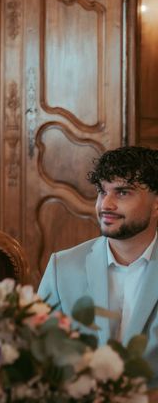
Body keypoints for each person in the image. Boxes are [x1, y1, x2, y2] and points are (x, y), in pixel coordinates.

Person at [38, 146, 158, 387]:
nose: (106, 204)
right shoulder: (63, 267)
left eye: (122, 193)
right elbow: (39, 353)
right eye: (102, 192)